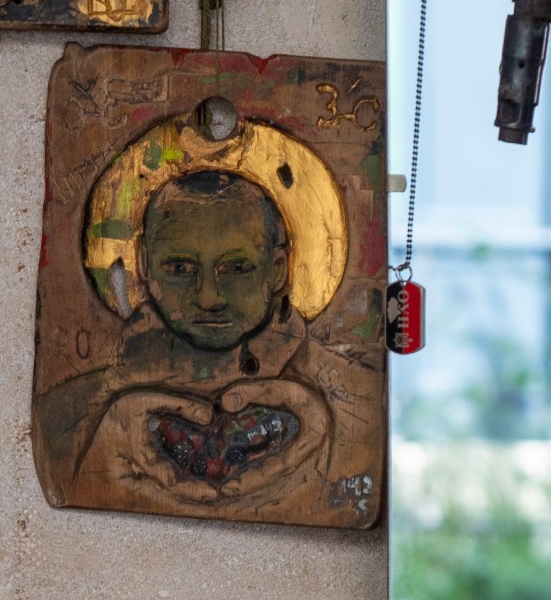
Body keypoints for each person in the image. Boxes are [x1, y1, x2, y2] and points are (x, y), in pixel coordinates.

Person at [39, 167, 340, 513]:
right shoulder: (71, 413)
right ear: (145, 267)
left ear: (277, 271)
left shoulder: (326, 391)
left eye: (237, 267)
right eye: (181, 269)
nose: (209, 298)